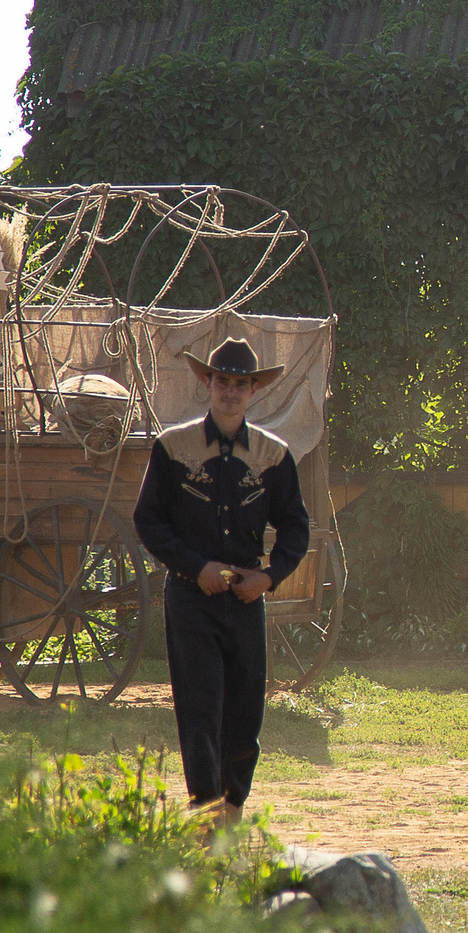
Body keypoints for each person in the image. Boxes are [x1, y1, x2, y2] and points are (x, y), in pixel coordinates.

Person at [132, 338, 310, 833]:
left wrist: (269, 576)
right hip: (191, 597)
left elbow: (296, 527)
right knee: (200, 704)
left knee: (246, 710)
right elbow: (150, 522)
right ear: (207, 383)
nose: (230, 392)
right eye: (222, 381)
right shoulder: (173, 447)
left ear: (254, 390)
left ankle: (232, 808)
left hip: (245, 598)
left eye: (240, 384)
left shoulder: (275, 455)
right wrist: (195, 567)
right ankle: (206, 811)